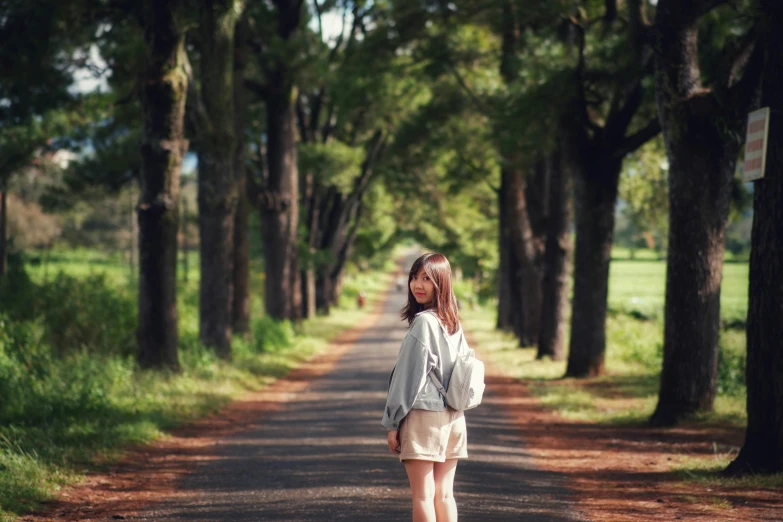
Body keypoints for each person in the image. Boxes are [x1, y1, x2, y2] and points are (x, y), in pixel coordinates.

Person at [382, 252, 470, 522]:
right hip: (454, 417)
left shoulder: (423, 323)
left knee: (422, 495)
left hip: (424, 417)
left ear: (441, 282)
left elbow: (407, 378)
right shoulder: (453, 322)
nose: (417, 285)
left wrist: (393, 422)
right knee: (444, 495)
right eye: (414, 277)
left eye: (427, 279)